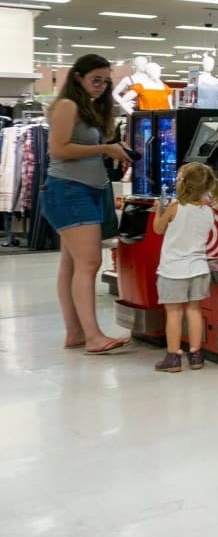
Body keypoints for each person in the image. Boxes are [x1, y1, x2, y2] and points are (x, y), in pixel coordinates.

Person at [41, 53, 133, 354]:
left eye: (106, 82)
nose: (101, 86)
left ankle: (76, 333)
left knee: (72, 263)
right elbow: (59, 149)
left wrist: (109, 150)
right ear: (78, 77)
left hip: (83, 189)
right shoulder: (67, 105)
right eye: (96, 80)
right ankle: (92, 336)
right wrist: (105, 147)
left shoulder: (87, 108)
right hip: (70, 190)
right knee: (89, 262)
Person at [150, 162, 218, 372]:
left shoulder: (175, 206)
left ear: (182, 183)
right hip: (199, 269)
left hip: (173, 270)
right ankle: (195, 354)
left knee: (174, 313)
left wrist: (158, 210)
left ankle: (173, 357)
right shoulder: (208, 211)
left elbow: (158, 229)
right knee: (194, 311)